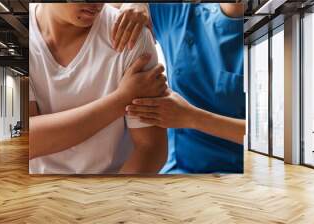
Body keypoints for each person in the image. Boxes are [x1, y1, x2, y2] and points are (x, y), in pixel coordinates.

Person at [28, 3, 168, 174]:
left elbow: (151, 148)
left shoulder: (131, 34)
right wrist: (121, 100)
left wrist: (111, 197)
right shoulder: (22, 33)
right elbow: (30, 140)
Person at [112, 3, 246, 173]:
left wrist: (192, 118)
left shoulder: (278, 33)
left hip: (233, 175)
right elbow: (98, 9)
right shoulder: (180, 14)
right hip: (171, 170)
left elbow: (278, 138)